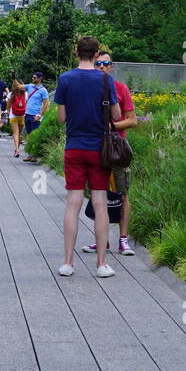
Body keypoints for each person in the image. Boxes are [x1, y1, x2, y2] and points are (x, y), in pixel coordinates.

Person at [55, 35, 121, 279]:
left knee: (73, 203)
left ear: (76, 53)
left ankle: (68, 263)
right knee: (100, 203)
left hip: (74, 146)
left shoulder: (65, 79)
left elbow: (61, 118)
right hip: (99, 148)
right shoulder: (106, 79)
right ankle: (102, 264)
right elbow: (116, 113)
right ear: (96, 55)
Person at [81, 46, 138, 256]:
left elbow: (132, 121)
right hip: (92, 148)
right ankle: (101, 239)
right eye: (98, 63)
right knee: (98, 194)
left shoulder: (121, 89)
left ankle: (123, 239)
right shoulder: (86, 88)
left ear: (112, 67)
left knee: (122, 193)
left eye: (106, 64)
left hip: (115, 149)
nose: (102, 67)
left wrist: (111, 127)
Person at [22, 71, 49, 144]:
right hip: (27, 114)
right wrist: (14, 78)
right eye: (32, 77)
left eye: (34, 77)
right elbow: (18, 87)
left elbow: (46, 104)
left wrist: (39, 115)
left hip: (35, 115)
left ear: (40, 79)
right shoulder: (30, 86)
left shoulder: (43, 90)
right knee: (29, 134)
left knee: (34, 135)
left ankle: (33, 153)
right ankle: (30, 152)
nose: (32, 78)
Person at [9, 80, 27, 156]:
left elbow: (8, 105)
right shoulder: (26, 94)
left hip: (13, 116)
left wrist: (7, 111)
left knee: (15, 134)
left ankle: (17, 149)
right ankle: (18, 149)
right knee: (19, 134)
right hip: (22, 115)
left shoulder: (11, 94)